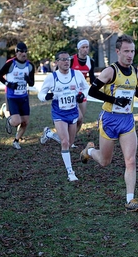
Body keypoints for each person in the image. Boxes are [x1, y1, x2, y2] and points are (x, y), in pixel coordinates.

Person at [79, 34, 138, 212]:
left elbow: (134, 88)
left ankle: (130, 200)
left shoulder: (134, 71)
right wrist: (114, 100)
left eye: (132, 51)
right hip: (109, 120)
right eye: (126, 51)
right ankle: (89, 151)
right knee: (105, 161)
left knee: (130, 161)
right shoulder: (110, 71)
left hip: (127, 121)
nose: (130, 55)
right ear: (117, 52)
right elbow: (92, 91)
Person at [38, 51, 88, 181]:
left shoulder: (76, 74)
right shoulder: (52, 77)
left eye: (68, 59)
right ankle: (70, 173)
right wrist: (46, 96)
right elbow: (40, 94)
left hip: (72, 112)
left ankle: (49, 134)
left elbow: (86, 88)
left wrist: (82, 95)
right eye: (63, 59)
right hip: (58, 112)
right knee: (65, 142)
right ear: (57, 62)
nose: (66, 62)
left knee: (69, 142)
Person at [0, 42, 35, 150]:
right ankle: (5, 111)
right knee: (16, 121)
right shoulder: (10, 63)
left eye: (25, 52)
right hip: (12, 97)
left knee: (25, 121)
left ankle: (16, 140)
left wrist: (28, 80)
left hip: (23, 97)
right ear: (16, 52)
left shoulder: (30, 66)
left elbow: (32, 84)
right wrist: (9, 84)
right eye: (21, 52)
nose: (24, 54)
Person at [70, 39, 96, 147]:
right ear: (79, 48)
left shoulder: (91, 61)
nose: (85, 49)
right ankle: (68, 139)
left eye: (87, 47)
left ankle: (71, 140)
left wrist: (98, 87)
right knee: (77, 117)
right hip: (70, 92)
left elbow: (92, 78)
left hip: (82, 92)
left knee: (80, 121)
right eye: (83, 47)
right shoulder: (71, 60)